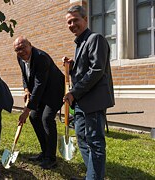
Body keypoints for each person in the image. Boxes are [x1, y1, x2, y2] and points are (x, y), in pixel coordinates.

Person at [63, 5, 115, 180]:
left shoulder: (95, 39)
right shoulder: (81, 43)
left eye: (75, 20)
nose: (72, 24)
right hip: (81, 102)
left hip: (93, 101)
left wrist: (73, 92)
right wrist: (72, 66)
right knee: (82, 138)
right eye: (69, 22)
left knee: (94, 142)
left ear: (85, 19)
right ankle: (92, 174)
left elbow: (96, 70)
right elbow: (84, 70)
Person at [13, 36, 65, 169]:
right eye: (17, 49)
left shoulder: (41, 58)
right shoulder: (20, 58)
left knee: (46, 118)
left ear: (30, 45)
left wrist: (26, 110)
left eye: (23, 47)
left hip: (54, 91)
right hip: (41, 92)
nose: (21, 51)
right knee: (34, 117)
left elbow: (39, 84)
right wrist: (25, 90)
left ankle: (51, 158)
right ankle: (45, 152)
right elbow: (25, 76)